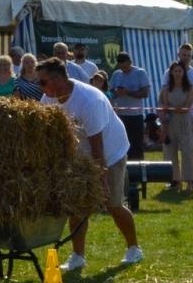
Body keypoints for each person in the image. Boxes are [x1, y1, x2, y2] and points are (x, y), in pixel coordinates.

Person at [37, 57, 142, 269]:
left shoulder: (89, 101)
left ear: (57, 80)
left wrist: (101, 178)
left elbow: (98, 146)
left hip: (110, 152)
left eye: (42, 82)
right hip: (81, 154)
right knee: (77, 206)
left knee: (112, 204)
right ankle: (78, 256)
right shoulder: (48, 99)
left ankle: (134, 249)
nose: (40, 86)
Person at [159, 61, 193, 192]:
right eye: (175, 71)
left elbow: (187, 107)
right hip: (170, 123)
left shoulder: (190, 88)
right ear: (171, 72)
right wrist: (169, 111)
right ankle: (176, 181)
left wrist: (173, 108)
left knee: (187, 151)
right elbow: (163, 106)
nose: (177, 73)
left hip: (185, 122)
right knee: (170, 152)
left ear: (183, 73)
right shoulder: (166, 89)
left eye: (180, 71)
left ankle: (190, 182)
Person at [108, 52, 152, 160]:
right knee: (121, 146)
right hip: (120, 116)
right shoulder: (116, 74)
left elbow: (145, 93)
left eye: (125, 66)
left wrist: (128, 92)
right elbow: (110, 93)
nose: (123, 69)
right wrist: (116, 93)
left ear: (130, 62)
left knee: (136, 145)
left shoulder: (140, 73)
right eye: (121, 66)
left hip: (135, 116)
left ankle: (139, 167)